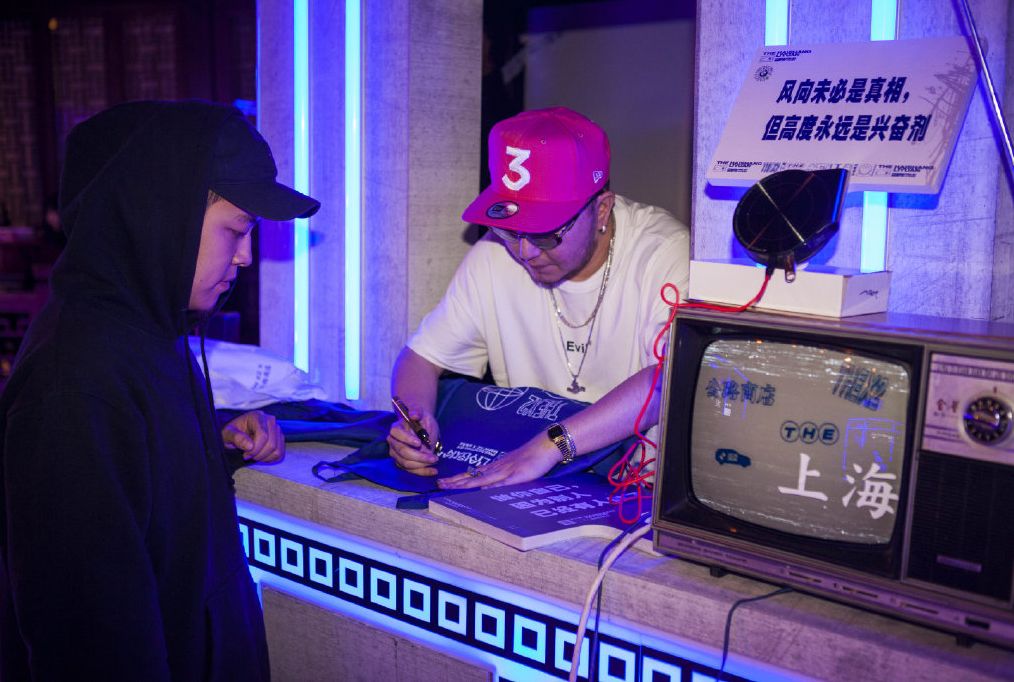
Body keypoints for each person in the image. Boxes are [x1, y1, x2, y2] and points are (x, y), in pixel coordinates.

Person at [0, 101, 320, 680]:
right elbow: (91, 641)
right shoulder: (72, 385)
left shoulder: (145, 329)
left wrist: (210, 437)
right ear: (160, 216)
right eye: (236, 230)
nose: (246, 257)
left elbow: (131, 478)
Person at [387, 106, 690, 489]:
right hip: (530, 480)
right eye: (511, 230)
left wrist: (552, 445)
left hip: (637, 488)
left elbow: (671, 378)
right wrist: (415, 421)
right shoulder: (493, 254)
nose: (525, 251)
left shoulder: (665, 254)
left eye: (546, 234)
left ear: (602, 209)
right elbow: (420, 357)